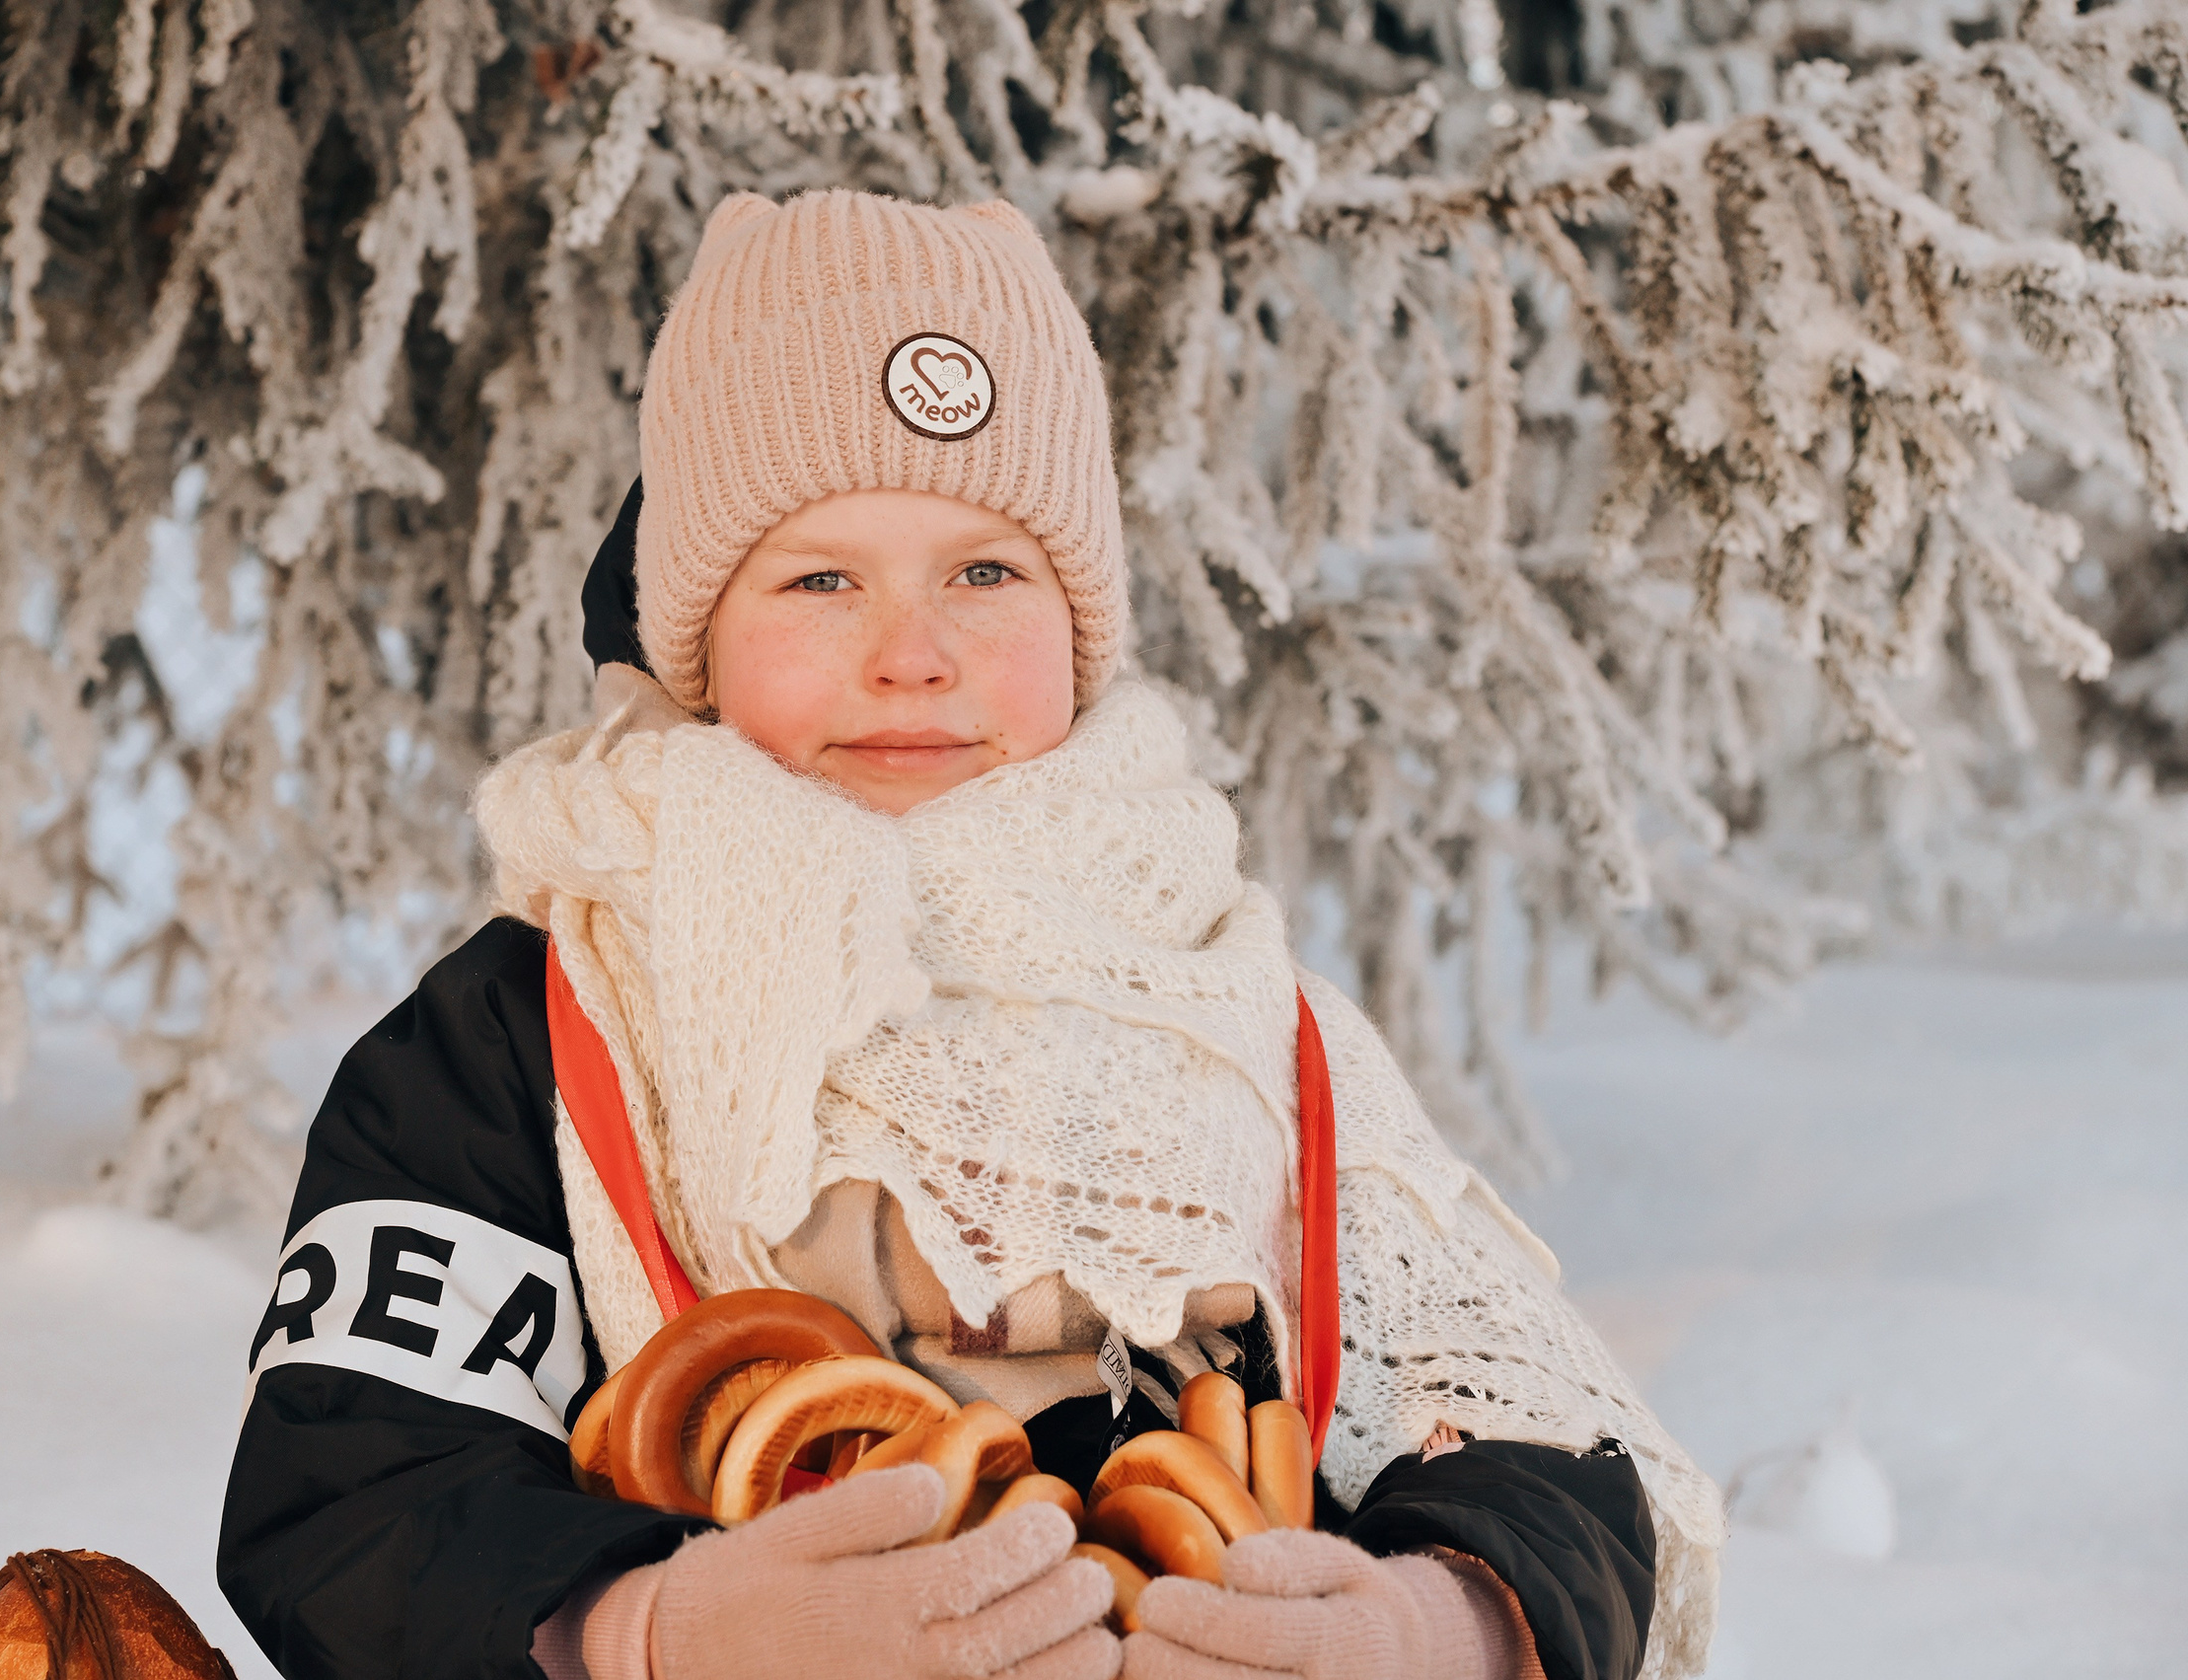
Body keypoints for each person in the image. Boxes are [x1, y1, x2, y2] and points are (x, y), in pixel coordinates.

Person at [218, 189, 1721, 1680]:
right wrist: (649, 1633)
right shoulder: (529, 1038)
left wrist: (1437, 1627)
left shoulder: (1250, 1024)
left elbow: (1543, 1448)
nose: (913, 658)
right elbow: (349, 1498)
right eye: (819, 582)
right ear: (693, 637)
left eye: (987, 573)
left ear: (1081, 621)